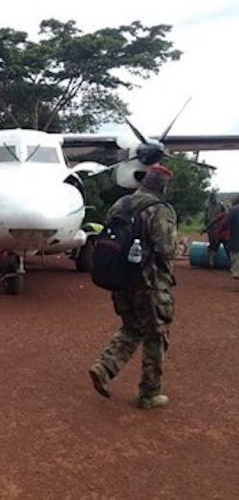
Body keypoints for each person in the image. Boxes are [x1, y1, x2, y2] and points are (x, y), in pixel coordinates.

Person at [89, 165, 177, 409]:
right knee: (155, 335)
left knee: (131, 327)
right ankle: (149, 393)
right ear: (163, 186)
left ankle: (104, 367)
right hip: (150, 283)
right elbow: (165, 248)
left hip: (121, 279)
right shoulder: (159, 210)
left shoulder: (121, 204)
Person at [204, 191, 225, 267]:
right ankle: (211, 259)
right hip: (211, 228)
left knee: (218, 243)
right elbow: (206, 218)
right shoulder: (208, 207)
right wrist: (206, 227)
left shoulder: (221, 205)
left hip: (219, 228)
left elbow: (224, 215)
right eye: (211, 197)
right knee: (213, 243)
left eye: (214, 197)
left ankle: (212, 259)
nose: (213, 199)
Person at [225, 196, 239, 279]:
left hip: (235, 239)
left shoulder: (234, 210)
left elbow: (226, 223)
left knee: (235, 257)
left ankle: (236, 273)